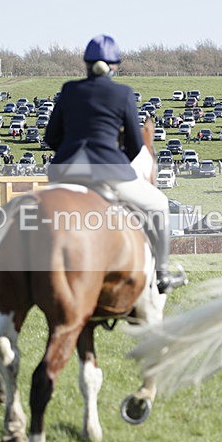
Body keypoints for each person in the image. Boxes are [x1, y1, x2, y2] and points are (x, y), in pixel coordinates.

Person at [44, 34, 186, 294]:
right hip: (107, 171)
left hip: (65, 171)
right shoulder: (123, 93)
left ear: (86, 64)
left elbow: (51, 138)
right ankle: (163, 273)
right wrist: (115, 152)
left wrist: (71, 153)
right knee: (159, 204)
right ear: (113, 66)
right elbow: (135, 144)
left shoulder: (68, 90)